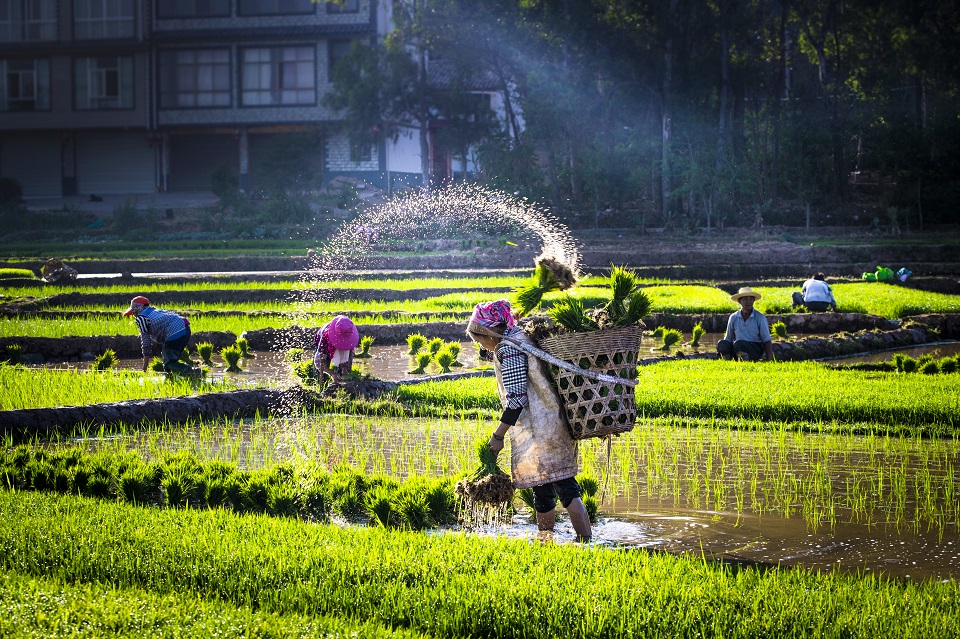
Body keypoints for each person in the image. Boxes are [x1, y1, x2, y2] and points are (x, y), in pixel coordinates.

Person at [465, 299, 592, 543]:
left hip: (541, 428)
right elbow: (492, 351)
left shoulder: (508, 348)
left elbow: (516, 400)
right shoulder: (518, 337)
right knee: (541, 489)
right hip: (544, 422)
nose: (480, 344)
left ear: (489, 332)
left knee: (566, 487)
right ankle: (545, 542)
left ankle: (586, 542)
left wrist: (498, 435)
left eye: (479, 338)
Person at [123, 296, 194, 374]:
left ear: (137, 309)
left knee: (168, 364)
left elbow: (146, 342)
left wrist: (145, 367)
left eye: (133, 313)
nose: (134, 315)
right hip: (185, 330)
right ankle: (181, 379)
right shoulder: (155, 311)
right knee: (171, 360)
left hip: (175, 333)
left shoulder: (141, 318)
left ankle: (191, 371)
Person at [716, 287, 774, 362]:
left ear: (753, 301)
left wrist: (769, 360)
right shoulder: (733, 317)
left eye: (750, 299)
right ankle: (727, 362)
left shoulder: (759, 317)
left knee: (739, 344)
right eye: (745, 299)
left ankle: (745, 362)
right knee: (722, 343)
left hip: (754, 348)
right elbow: (728, 339)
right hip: (737, 347)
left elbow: (767, 340)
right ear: (739, 301)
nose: (748, 302)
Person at [314, 315, 359, 383]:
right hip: (327, 346)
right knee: (322, 375)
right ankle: (322, 386)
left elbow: (350, 355)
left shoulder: (349, 337)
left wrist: (345, 369)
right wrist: (332, 373)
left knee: (344, 372)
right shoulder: (325, 338)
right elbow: (318, 363)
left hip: (339, 345)